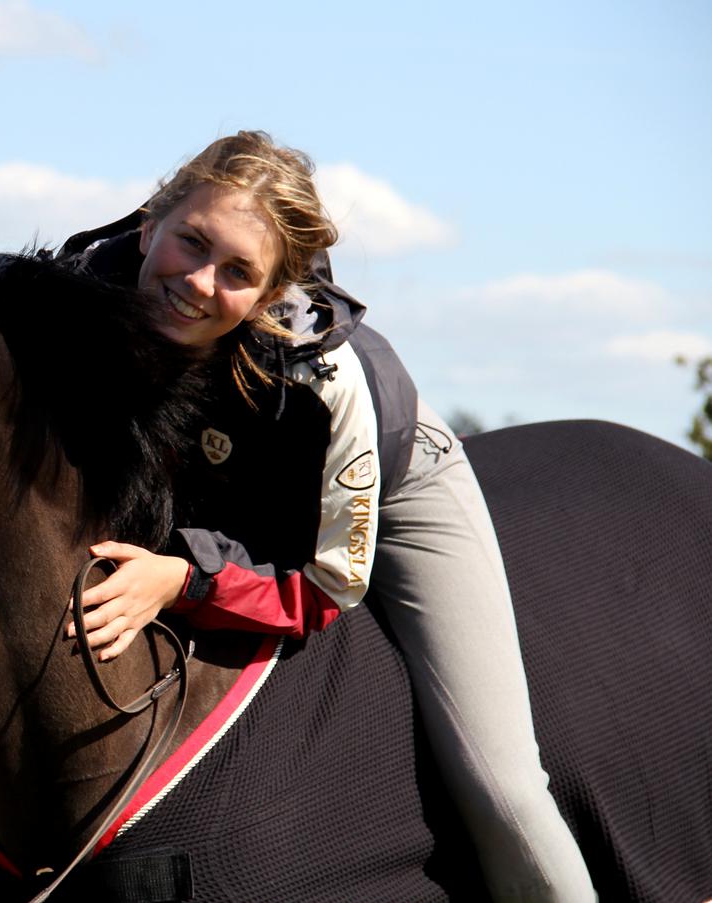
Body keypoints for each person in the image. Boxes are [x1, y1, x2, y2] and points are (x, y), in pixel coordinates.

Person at [60, 131, 597, 902]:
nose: (199, 282)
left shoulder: (325, 378)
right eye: (191, 242)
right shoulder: (79, 292)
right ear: (148, 226)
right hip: (216, 474)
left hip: (387, 489)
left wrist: (181, 580)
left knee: (502, 784)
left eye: (238, 272)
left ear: (274, 290)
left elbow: (324, 586)